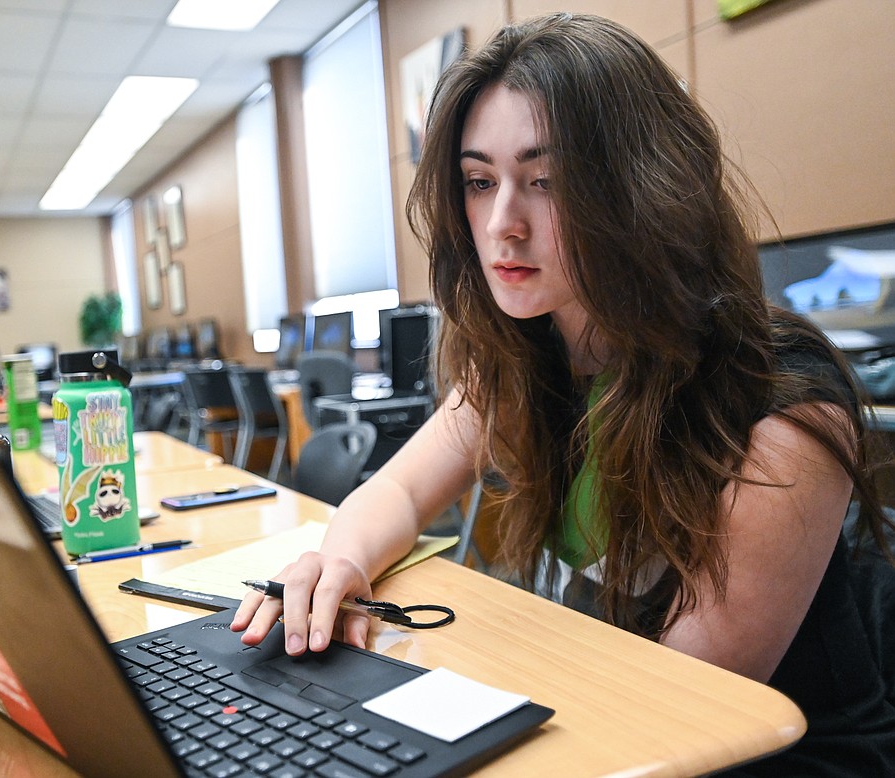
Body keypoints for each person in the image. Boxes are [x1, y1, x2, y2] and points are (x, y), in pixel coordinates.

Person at [231, 13, 895, 775]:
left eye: (547, 182)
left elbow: (675, 706)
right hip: (598, 708)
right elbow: (398, 495)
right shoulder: (526, 354)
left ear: (646, 188)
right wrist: (339, 561)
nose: (502, 225)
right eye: (480, 183)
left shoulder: (782, 404)